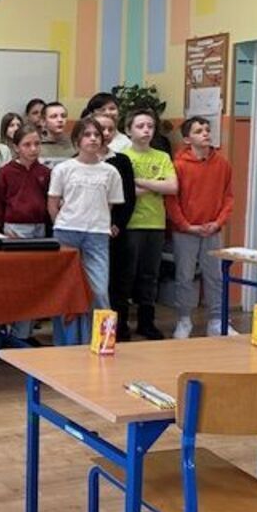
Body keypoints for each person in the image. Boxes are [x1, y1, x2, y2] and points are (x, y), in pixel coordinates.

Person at [47, 117, 124, 345]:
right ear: (77, 140)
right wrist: (60, 224)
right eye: (87, 135)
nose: (93, 139)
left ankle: (103, 342)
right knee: (66, 291)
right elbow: (53, 203)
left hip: (97, 235)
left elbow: (109, 205)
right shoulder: (63, 169)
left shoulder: (110, 172)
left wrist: (99, 222)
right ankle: (65, 343)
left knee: (99, 291)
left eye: (97, 135)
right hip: (66, 232)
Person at [166, 116, 235, 338]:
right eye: (198, 131)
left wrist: (218, 223)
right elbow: (172, 201)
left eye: (207, 129)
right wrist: (186, 225)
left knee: (214, 276)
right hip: (185, 231)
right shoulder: (178, 165)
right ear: (187, 139)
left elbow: (228, 197)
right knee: (185, 276)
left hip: (212, 229)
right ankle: (184, 320)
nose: (205, 133)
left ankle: (216, 320)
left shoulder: (222, 164)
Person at [114, 108, 178, 341]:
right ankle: (121, 324)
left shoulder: (162, 156)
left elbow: (172, 187)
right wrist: (155, 184)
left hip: (155, 223)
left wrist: (140, 182)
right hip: (131, 223)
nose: (146, 130)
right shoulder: (122, 157)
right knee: (127, 275)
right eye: (140, 126)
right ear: (128, 130)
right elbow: (124, 191)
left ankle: (146, 322)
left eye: (150, 126)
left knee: (150, 275)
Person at [0, 125, 51, 343]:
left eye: (36, 144)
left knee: (36, 281)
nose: (33, 149)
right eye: (27, 145)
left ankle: (26, 332)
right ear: (16, 147)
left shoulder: (44, 172)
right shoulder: (6, 173)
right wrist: (0, 232)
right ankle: (14, 331)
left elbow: (50, 201)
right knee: (19, 281)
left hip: (39, 229)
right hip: (15, 229)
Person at [94, 113, 137, 341]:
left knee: (118, 283)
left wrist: (117, 224)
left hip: (115, 230)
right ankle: (93, 331)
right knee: (96, 284)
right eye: (102, 129)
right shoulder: (79, 161)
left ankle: (118, 330)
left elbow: (128, 197)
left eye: (111, 129)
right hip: (90, 230)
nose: (106, 134)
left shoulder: (121, 161)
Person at [38, 101, 74, 169]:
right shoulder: (37, 146)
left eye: (63, 116)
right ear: (43, 121)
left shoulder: (75, 145)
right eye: (54, 117)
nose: (60, 120)